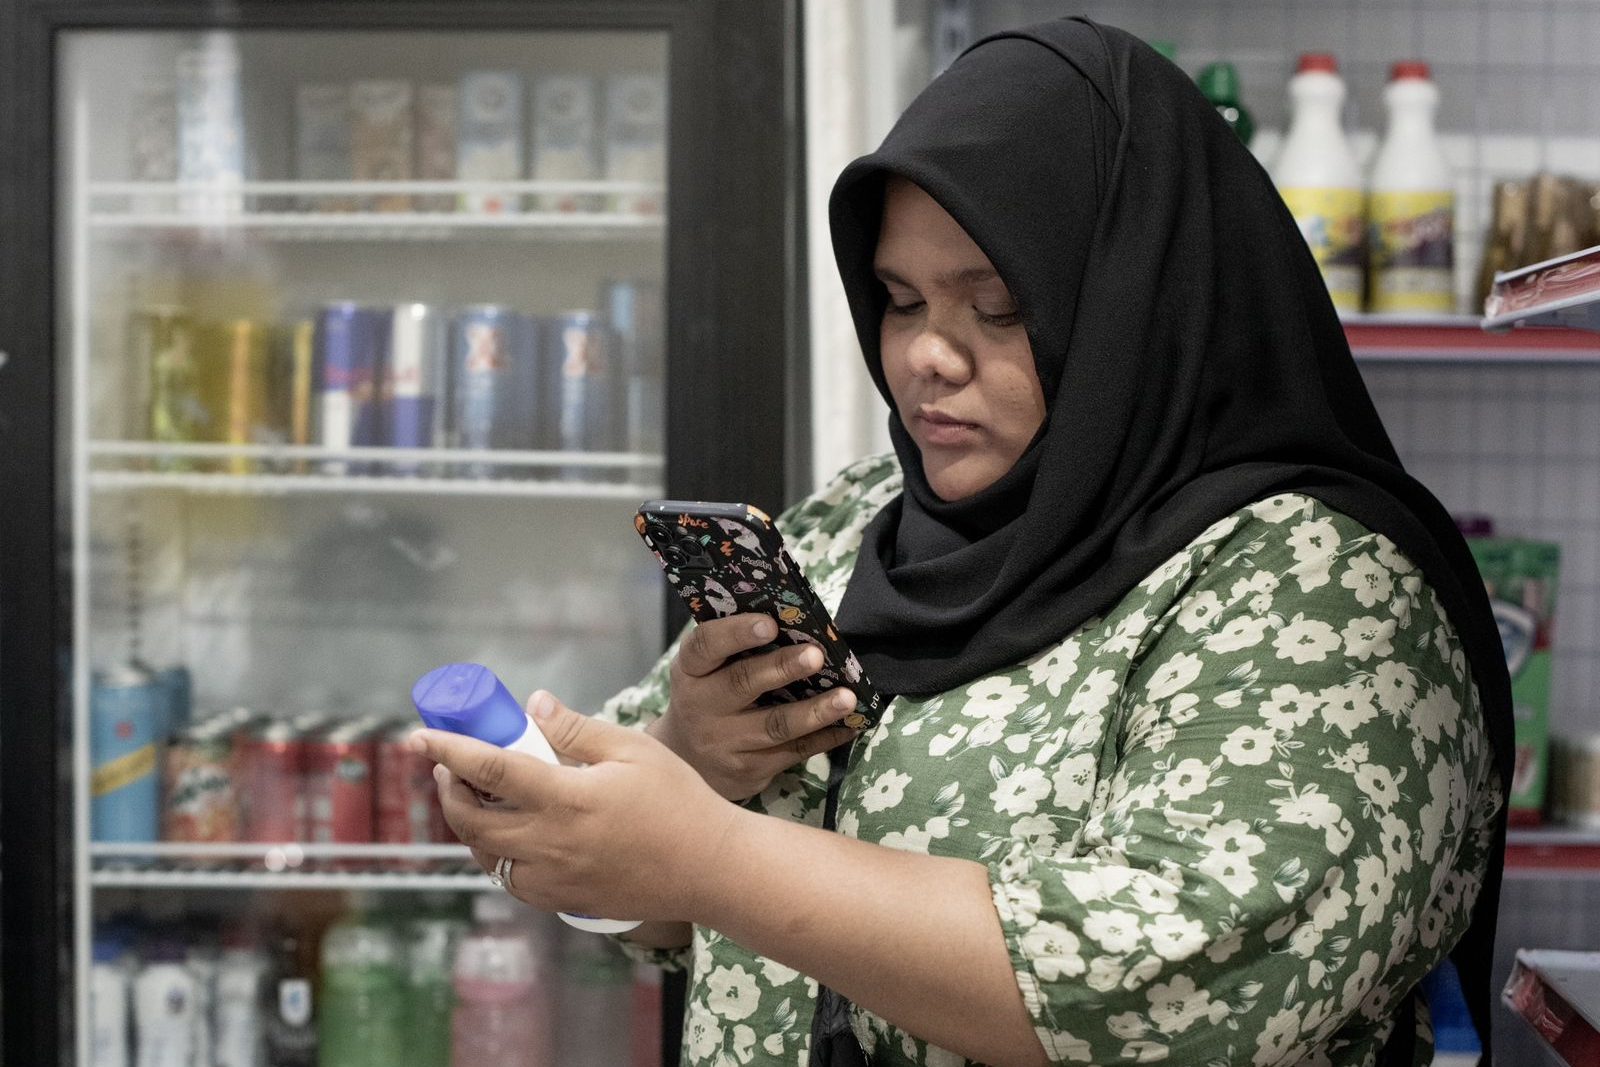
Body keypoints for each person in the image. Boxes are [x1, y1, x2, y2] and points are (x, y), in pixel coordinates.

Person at [410, 17, 1510, 1066]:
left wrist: (712, 852)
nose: (925, 356)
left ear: (1135, 305)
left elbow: (1164, 993)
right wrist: (681, 764)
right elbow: (666, 912)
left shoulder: (1319, 590)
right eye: (899, 301)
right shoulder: (856, 522)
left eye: (996, 308)